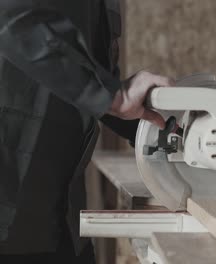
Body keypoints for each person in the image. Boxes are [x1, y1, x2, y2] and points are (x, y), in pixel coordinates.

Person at [0, 0, 171, 262]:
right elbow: (9, 21)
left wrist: (167, 132)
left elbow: (89, 80)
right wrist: (114, 96)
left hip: (57, 217)